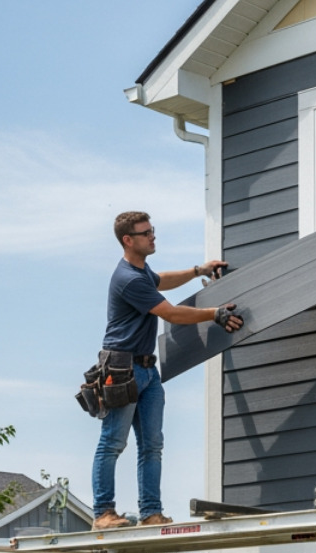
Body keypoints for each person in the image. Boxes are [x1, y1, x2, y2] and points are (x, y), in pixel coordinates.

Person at [91, 211, 242, 530]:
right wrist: (214, 314)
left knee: (152, 446)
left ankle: (151, 512)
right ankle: (102, 514)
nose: (152, 236)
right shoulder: (128, 279)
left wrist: (198, 270)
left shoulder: (142, 273)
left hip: (147, 369)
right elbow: (171, 314)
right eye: (145, 233)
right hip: (121, 369)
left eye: (152, 230)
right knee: (113, 442)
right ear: (128, 240)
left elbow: (162, 280)